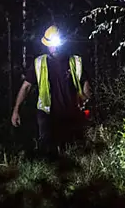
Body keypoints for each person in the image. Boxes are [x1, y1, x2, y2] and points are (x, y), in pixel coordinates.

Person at [11, 25, 92, 155]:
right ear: (47, 45)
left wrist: (85, 101)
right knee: (48, 149)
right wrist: (16, 110)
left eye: (56, 44)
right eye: (51, 44)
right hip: (46, 113)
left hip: (71, 113)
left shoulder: (75, 61)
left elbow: (85, 83)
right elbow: (26, 87)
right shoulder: (39, 63)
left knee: (72, 149)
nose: (54, 48)